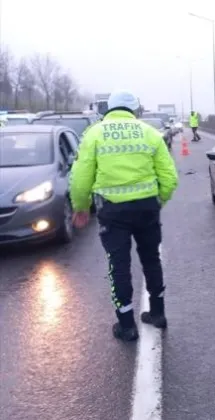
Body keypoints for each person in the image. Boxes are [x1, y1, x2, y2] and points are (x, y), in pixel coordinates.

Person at [69, 90, 179, 341]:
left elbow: (81, 178)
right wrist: (158, 201)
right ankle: (158, 314)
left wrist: (81, 207)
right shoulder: (150, 133)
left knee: (118, 265)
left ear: (109, 108)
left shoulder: (94, 133)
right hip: (146, 208)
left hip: (113, 211)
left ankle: (127, 325)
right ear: (135, 110)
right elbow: (170, 178)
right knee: (151, 259)